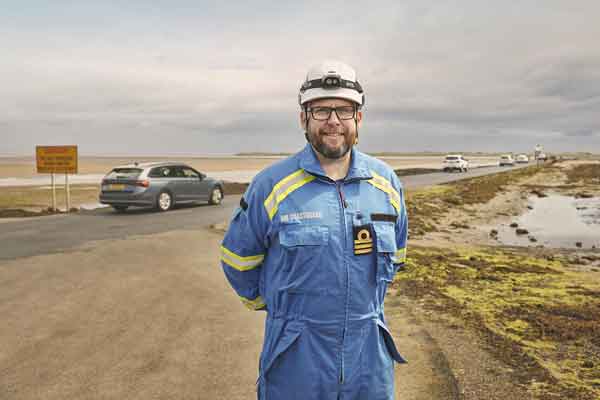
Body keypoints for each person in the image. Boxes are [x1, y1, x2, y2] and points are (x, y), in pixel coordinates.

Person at [220, 60, 408, 400]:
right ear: (303, 118)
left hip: (369, 358)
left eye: (344, 110)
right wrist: (282, 311)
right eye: (321, 110)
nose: (333, 121)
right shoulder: (271, 185)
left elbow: (397, 257)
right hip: (296, 358)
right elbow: (238, 262)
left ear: (359, 118)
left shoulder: (387, 184)